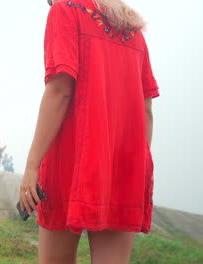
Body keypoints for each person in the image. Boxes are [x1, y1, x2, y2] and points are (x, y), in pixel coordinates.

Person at [19, 1, 159, 263]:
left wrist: (31, 166)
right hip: (124, 169)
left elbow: (60, 90)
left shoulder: (66, 10)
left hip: (70, 162)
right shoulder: (133, 30)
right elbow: (146, 108)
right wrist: (136, 166)